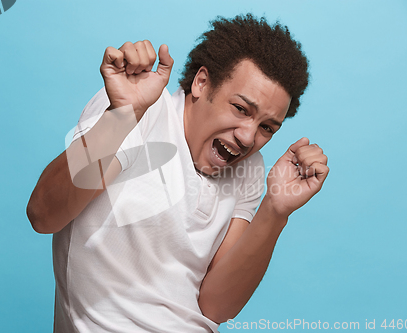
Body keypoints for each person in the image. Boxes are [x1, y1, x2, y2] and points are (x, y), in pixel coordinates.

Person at [27, 13, 329, 333]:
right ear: (201, 82)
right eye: (241, 109)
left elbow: (216, 307)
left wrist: (275, 211)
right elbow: (42, 215)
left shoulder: (249, 168)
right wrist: (121, 117)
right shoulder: (140, 110)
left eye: (267, 127)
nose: (248, 137)